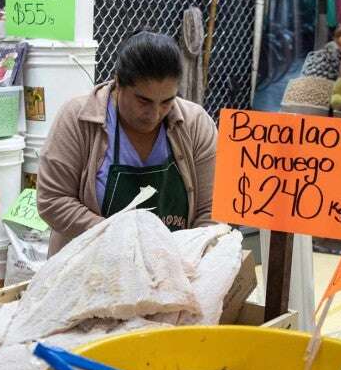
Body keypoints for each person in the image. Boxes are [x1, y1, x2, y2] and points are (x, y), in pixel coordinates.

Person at [37, 30, 218, 256]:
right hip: (89, 269)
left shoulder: (195, 125)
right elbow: (52, 200)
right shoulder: (79, 120)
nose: (154, 114)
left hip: (172, 268)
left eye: (166, 102)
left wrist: (194, 259)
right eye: (144, 101)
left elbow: (210, 211)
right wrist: (120, 239)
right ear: (119, 83)